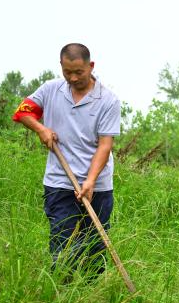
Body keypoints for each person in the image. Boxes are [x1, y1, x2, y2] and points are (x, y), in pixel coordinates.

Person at [12, 43, 121, 274]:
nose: (72, 78)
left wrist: (90, 181)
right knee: (61, 237)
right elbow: (22, 112)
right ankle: (60, 287)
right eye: (67, 72)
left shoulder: (108, 100)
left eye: (78, 72)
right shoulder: (51, 89)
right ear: (61, 66)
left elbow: (105, 146)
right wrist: (40, 129)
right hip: (60, 180)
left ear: (90, 66)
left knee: (95, 243)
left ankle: (91, 293)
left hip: (98, 185)